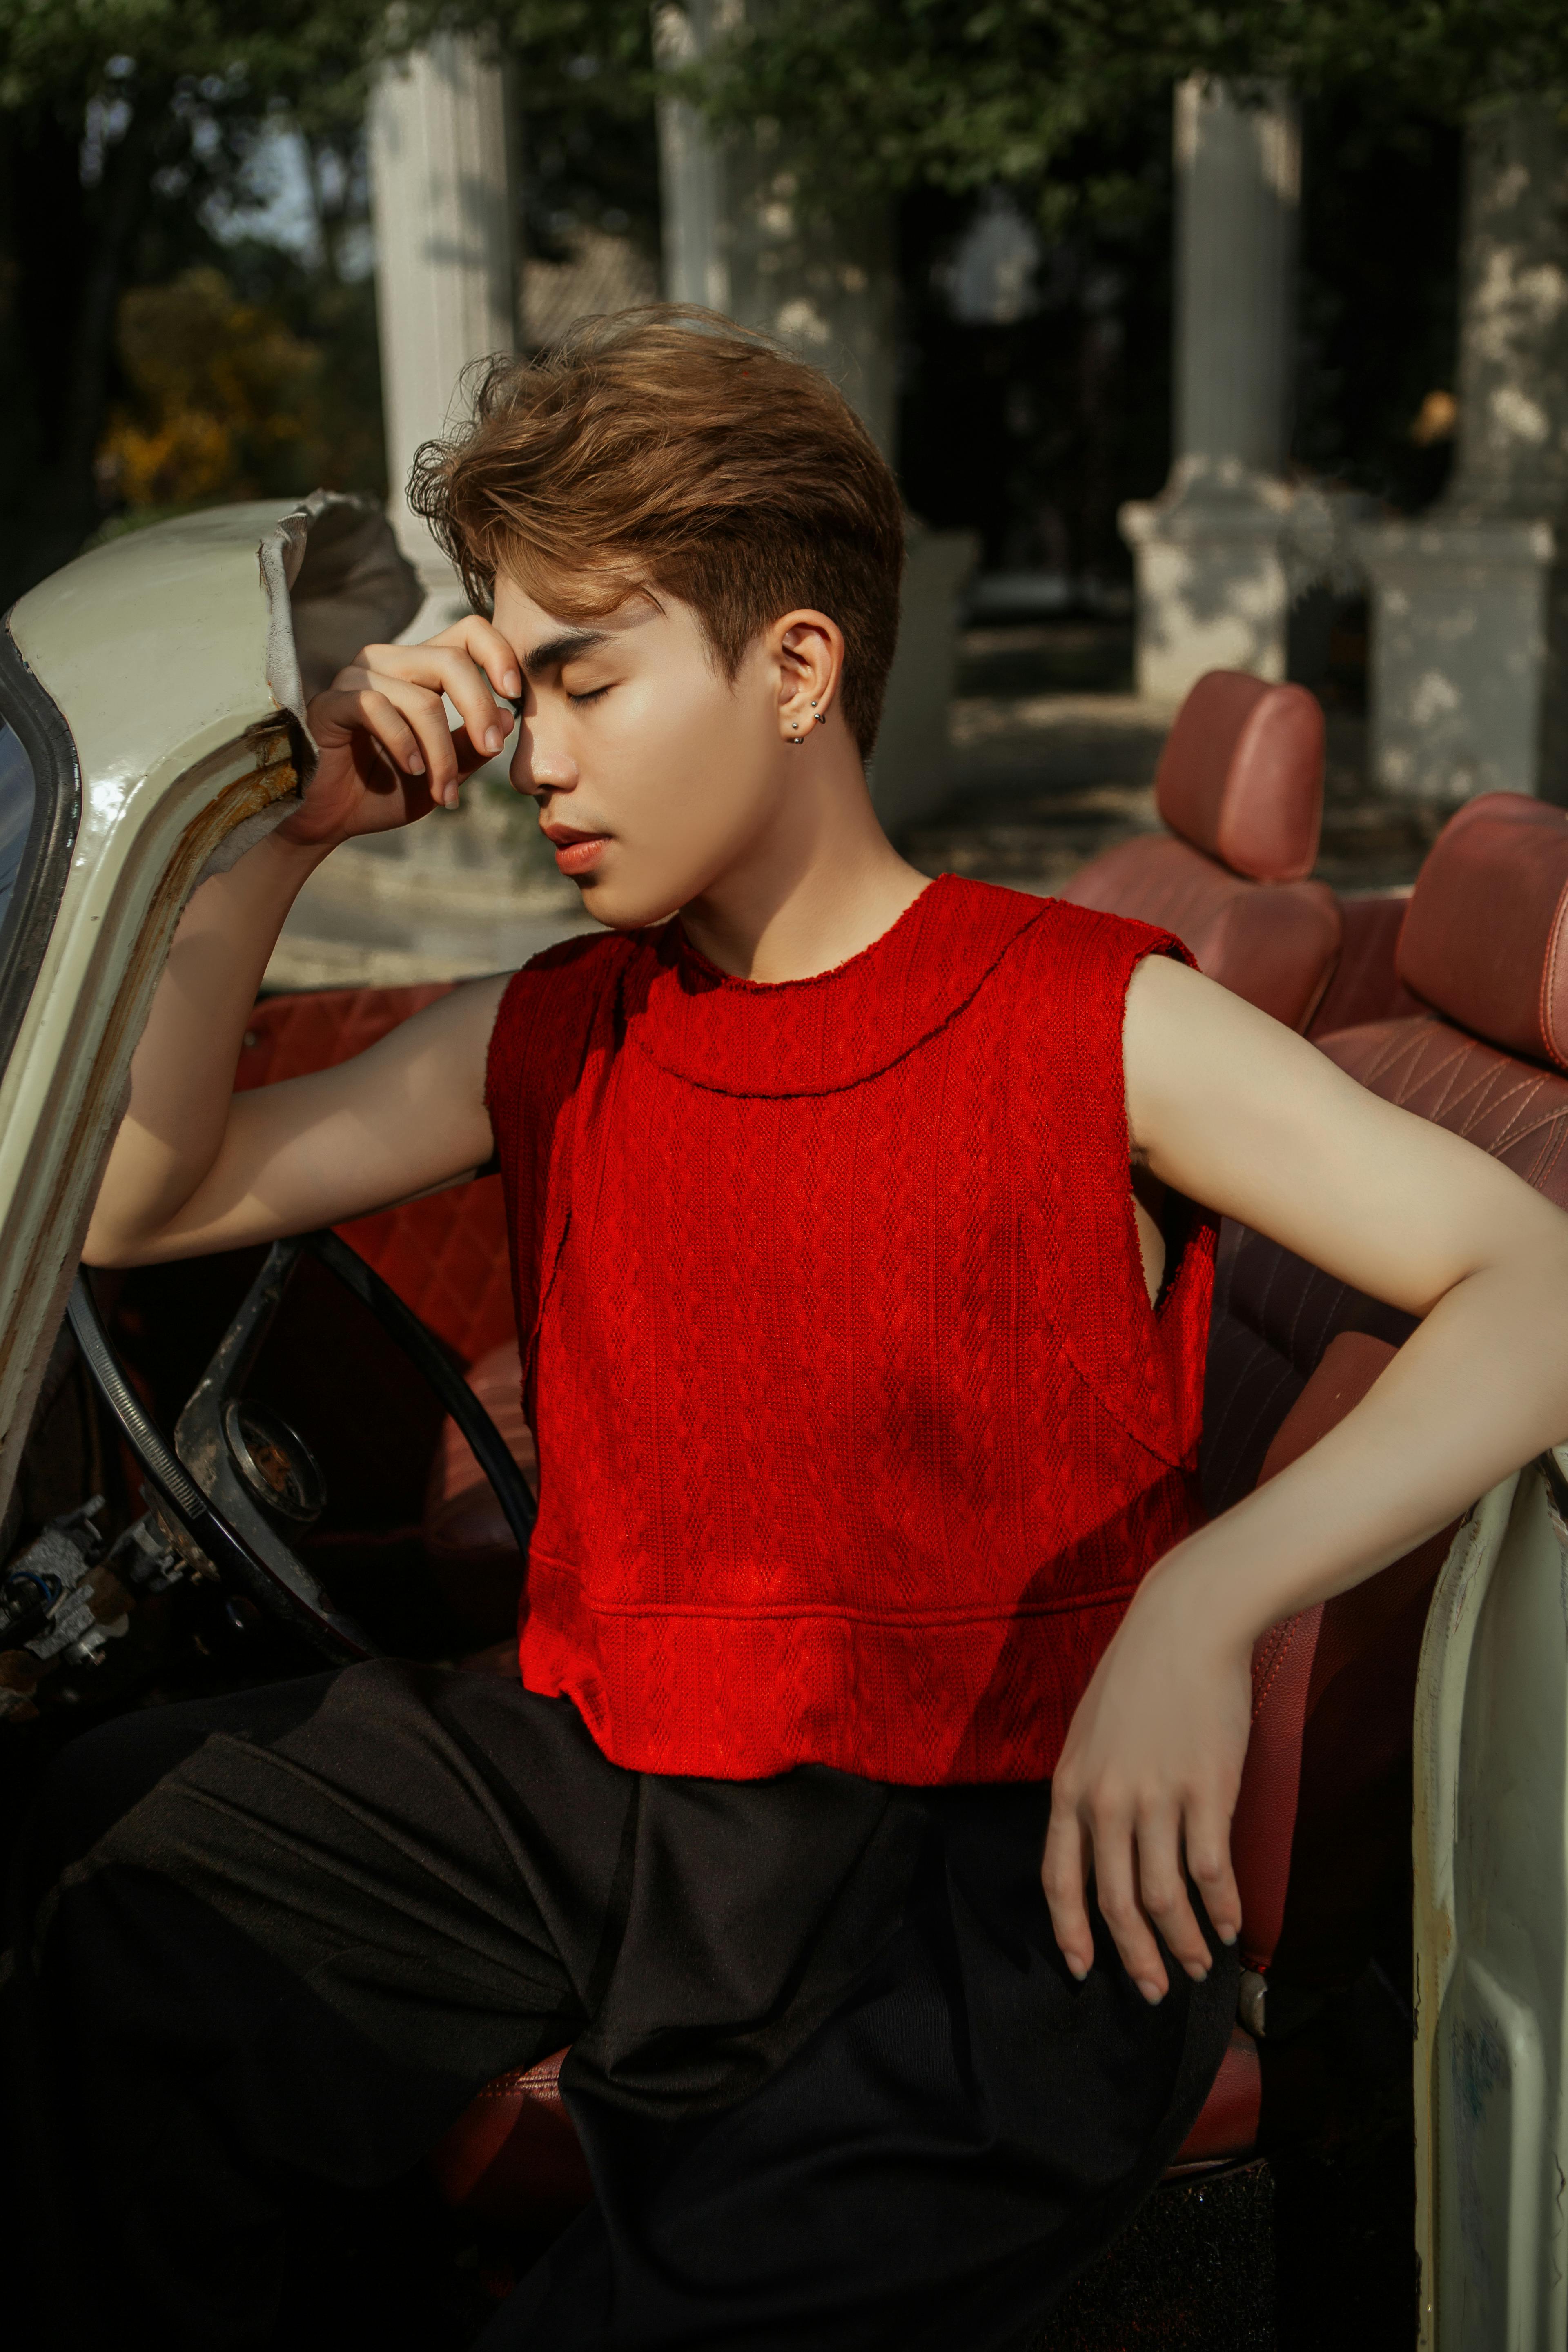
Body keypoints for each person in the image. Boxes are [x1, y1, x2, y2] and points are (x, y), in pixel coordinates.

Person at [9, 307, 1568, 2352]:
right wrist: (287, 829)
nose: (533, 755)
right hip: (618, 1769)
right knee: (108, 1873)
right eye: (518, 679)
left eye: (585, 673)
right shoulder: (563, 1022)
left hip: (992, 1860)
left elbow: (1533, 1278)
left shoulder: (1082, 1011)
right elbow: (140, 1194)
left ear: (797, 666)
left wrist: (1203, 1605)